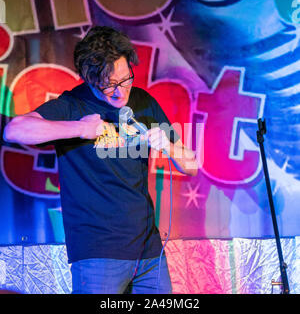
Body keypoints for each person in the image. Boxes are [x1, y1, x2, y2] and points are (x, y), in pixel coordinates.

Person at [4, 26, 198, 294]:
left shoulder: (143, 102)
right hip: (98, 253)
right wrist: (79, 129)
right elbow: (15, 130)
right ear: (91, 80)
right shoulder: (73, 105)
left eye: (126, 79)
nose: (120, 92)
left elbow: (191, 165)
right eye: (109, 86)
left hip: (148, 251)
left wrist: (170, 147)